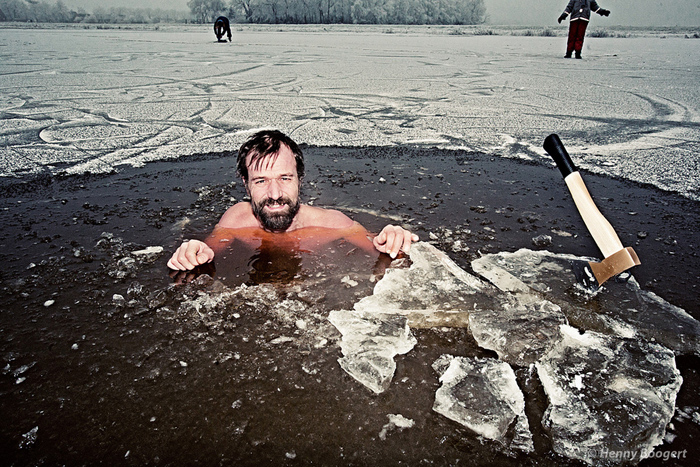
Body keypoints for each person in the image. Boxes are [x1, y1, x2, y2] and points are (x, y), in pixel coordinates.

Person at [167, 130, 419, 272]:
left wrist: (392, 237)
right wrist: (193, 251)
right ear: (245, 184)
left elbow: (379, 247)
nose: (275, 194)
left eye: (285, 178)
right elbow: (208, 251)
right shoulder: (236, 219)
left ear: (300, 179)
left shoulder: (332, 223)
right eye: (261, 181)